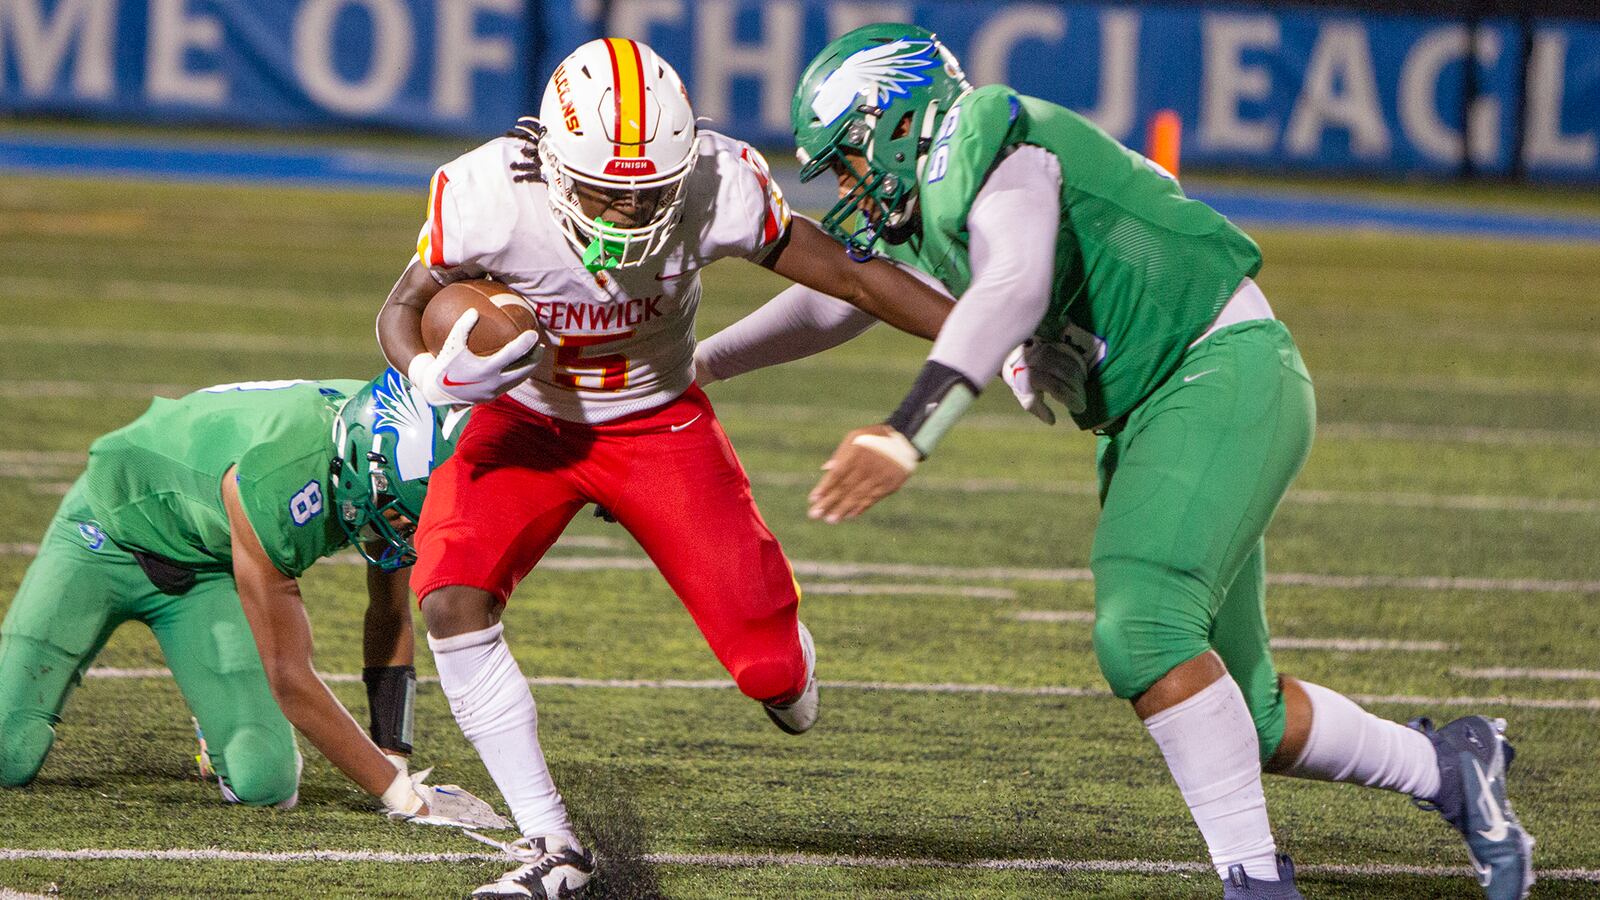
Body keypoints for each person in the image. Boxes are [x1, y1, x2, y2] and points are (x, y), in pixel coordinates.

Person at [692, 23, 1534, 900]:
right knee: (1249, 716)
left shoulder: (984, 130)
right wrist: (696, 366)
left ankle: (1253, 882)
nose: (850, 189)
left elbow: (1015, 283)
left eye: (850, 162)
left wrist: (910, 428)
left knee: (1143, 631)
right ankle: (1451, 766)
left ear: (894, 122)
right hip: (1161, 408)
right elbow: (840, 299)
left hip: (1213, 369)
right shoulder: (940, 192)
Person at [374, 37, 957, 900]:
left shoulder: (723, 182)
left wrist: (990, 336)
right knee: (451, 591)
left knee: (773, 679)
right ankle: (552, 846)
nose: (626, 213)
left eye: (648, 192)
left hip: (658, 421)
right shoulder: (488, 192)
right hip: (527, 422)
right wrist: (427, 374)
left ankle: (786, 658)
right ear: (554, 161)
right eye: (608, 191)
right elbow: (405, 306)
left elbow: (854, 277)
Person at [0, 371, 503, 828]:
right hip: (104, 533)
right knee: (8, 755)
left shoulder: (386, 435)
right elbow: (290, 676)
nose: (404, 529)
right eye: (396, 513)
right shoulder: (275, 480)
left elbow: (390, 614)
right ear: (357, 468)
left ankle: (213, 715)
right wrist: (403, 797)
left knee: (265, 784)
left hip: (208, 563)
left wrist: (393, 758)